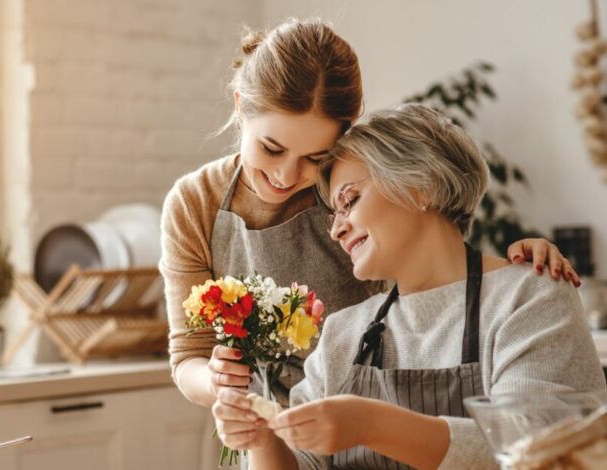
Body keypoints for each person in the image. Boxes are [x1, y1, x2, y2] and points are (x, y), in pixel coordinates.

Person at [161, 18, 580, 411]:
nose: (286, 175)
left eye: (315, 157)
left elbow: (433, 271)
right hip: (263, 426)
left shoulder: (349, 186)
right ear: (240, 108)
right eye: (271, 149)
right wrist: (219, 382)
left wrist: (512, 271)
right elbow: (188, 354)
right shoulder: (195, 204)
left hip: (367, 417)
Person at [211, 104, 606, 469]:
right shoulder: (344, 333)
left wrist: (372, 424)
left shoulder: (529, 298)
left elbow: (538, 451)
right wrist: (261, 439)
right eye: (334, 213)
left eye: (350, 199)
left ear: (421, 186)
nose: (336, 229)